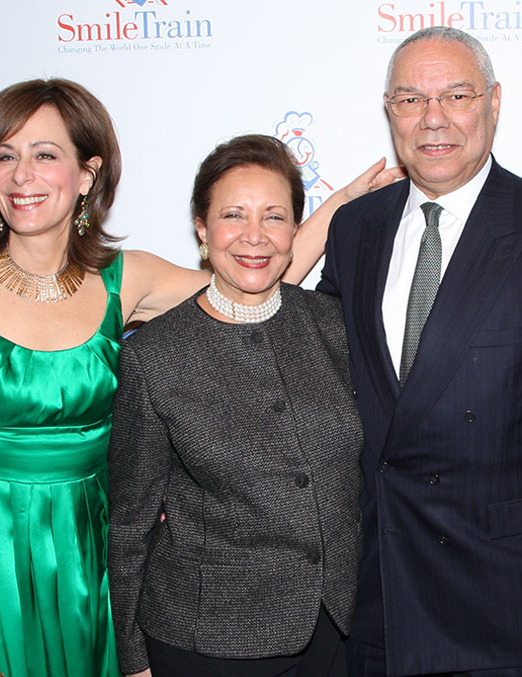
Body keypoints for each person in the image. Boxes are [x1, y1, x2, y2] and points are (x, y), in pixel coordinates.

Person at [0, 78, 400, 677]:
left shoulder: (123, 278)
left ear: (86, 174)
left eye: (45, 154)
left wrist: (336, 206)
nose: (22, 175)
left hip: (87, 555)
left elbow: (251, 279)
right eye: (6, 156)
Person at [318, 26, 522, 677]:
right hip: (376, 599)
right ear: (389, 111)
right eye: (410, 100)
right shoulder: (355, 227)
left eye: (456, 95)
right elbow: (315, 379)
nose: (432, 118)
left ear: (493, 102)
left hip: (511, 610)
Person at [107, 135, 362, 677]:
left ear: (296, 230)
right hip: (210, 643)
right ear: (202, 228)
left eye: (274, 216)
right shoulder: (155, 355)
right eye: (233, 215)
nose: (255, 236)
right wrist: (133, 661)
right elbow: (130, 523)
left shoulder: (332, 325)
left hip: (335, 629)